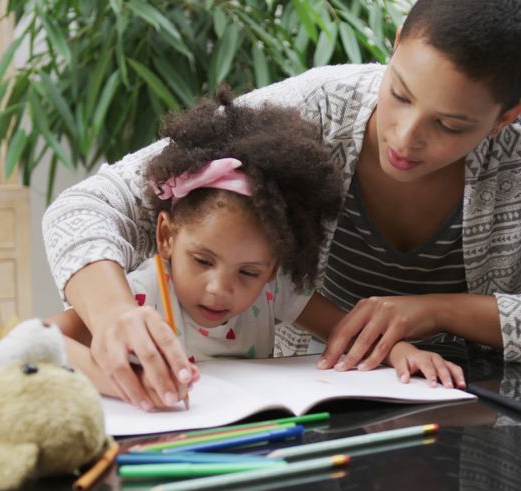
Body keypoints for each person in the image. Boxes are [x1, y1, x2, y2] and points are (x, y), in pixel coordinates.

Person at [43, 0, 521, 410]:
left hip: (483, 422)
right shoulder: (320, 108)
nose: (407, 137)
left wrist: (438, 311)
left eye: (449, 124)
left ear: (506, 118)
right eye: (400, 94)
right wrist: (115, 313)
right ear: (393, 47)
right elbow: (89, 205)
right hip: (318, 419)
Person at [49, 91, 464, 410]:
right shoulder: (140, 298)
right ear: (166, 236)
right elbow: (40, 340)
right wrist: (118, 382)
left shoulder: (273, 293)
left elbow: (349, 331)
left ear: (273, 269)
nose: (218, 288)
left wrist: (400, 350)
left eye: (248, 272)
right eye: (203, 260)